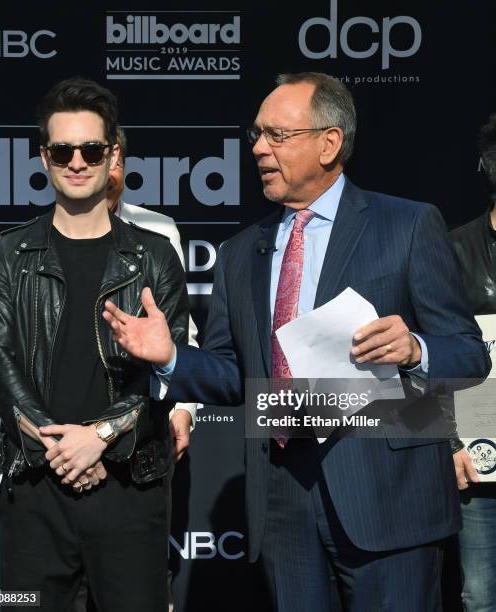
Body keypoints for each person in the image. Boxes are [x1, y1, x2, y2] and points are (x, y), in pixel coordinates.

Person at [103, 72, 490, 611]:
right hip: (282, 502)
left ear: (330, 143)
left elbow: (470, 354)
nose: (259, 148)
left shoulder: (407, 225)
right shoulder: (240, 252)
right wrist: (170, 356)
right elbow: (229, 371)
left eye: (277, 136)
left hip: (388, 495)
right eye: (256, 135)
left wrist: (417, 349)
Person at [0, 77, 189, 612]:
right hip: (34, 491)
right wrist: (62, 448)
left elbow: (170, 371)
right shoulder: (10, 253)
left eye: (91, 149)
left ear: (113, 153)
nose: (77, 161)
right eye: (62, 149)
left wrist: (100, 436)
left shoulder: (155, 255)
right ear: (44, 156)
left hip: (129, 487)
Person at [108, 127, 199, 457]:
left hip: (143, 425)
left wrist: (183, 409)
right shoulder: (32, 242)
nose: (104, 173)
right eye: (94, 157)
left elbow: (179, 330)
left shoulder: (158, 231)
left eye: (114, 161)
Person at [449, 113, 496, 611]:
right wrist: (449, 441)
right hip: (482, 463)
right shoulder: (456, 250)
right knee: (480, 598)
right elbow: (425, 357)